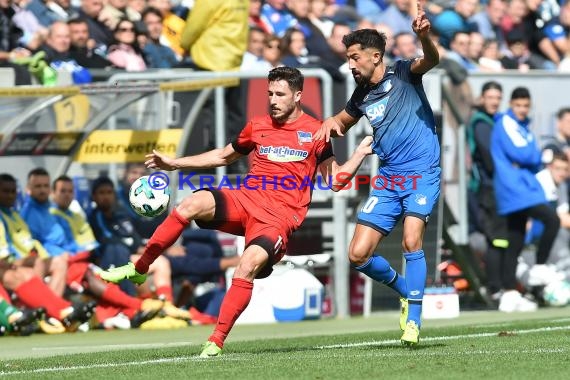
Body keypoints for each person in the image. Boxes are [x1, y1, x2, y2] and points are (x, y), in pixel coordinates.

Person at [100, 66, 373, 357]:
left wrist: (358, 154)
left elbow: (335, 182)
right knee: (189, 204)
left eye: (280, 94)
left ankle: (215, 341)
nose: (273, 100)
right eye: (269, 93)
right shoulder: (257, 125)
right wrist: (175, 163)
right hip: (245, 199)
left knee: (246, 266)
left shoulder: (316, 132)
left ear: (297, 95)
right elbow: (222, 156)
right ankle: (141, 268)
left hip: (278, 218)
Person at [313, 2, 440, 346]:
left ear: (375, 56)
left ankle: (413, 322)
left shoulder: (404, 73)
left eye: (355, 57)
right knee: (357, 255)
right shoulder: (362, 95)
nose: (350, 64)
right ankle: (405, 290)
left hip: (421, 173)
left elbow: (431, 60)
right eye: (348, 58)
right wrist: (324, 127)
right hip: (387, 180)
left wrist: (424, 38)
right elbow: (338, 123)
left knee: (412, 240)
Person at [491, 86, 560, 312]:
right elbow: (523, 153)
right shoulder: (505, 123)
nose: (522, 109)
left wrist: (530, 159)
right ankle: (540, 266)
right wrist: (536, 156)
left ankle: (509, 293)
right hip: (515, 188)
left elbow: (527, 157)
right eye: (518, 105)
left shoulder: (523, 126)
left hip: (520, 186)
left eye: (526, 106)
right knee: (552, 219)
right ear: (511, 105)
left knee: (516, 238)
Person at [466, 81, 508, 303]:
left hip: (497, 188)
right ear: (482, 98)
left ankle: (503, 286)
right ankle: (496, 289)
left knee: (503, 239)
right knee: (497, 240)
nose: (494, 101)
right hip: (487, 189)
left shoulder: (493, 121)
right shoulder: (481, 123)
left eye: (497, 98)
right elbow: (492, 161)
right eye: (490, 97)